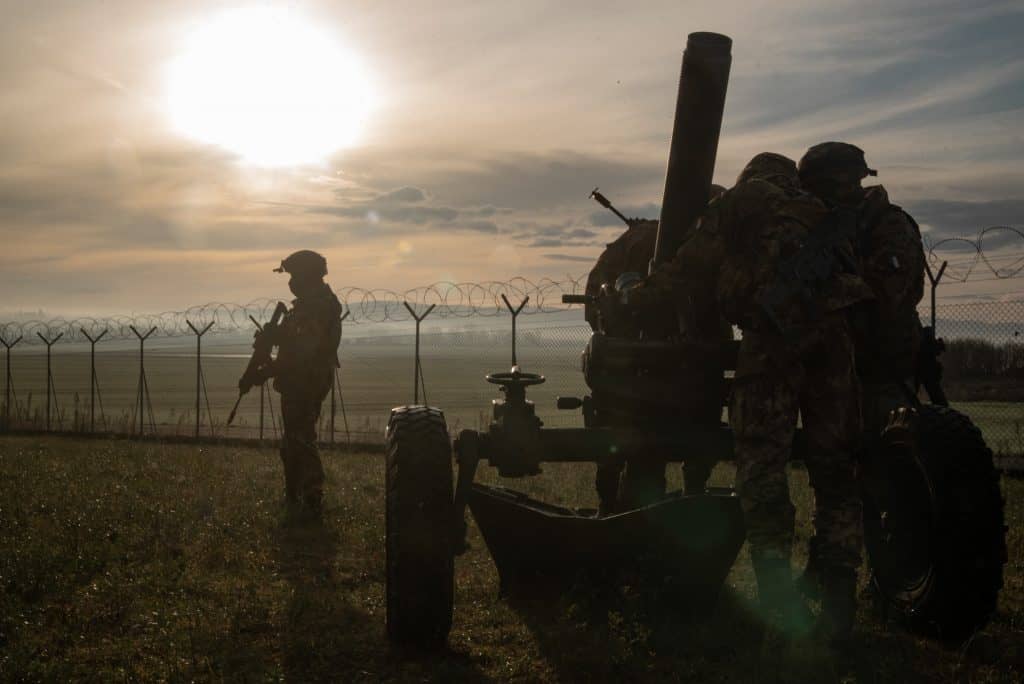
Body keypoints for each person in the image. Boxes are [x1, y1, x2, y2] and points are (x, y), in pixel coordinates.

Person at [703, 153, 873, 647]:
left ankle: (777, 599)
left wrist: (649, 291)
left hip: (775, 341)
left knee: (762, 467)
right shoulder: (819, 211)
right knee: (837, 469)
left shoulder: (746, 201)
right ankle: (840, 600)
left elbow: (693, 259)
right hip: (834, 341)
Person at [796, 143, 926, 600]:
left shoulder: (888, 225)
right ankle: (830, 565)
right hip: (840, 370)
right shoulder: (835, 228)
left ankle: (895, 577)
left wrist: (823, 292)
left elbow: (887, 292)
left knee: (884, 478)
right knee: (834, 471)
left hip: (879, 372)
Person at [261, 249, 344, 520]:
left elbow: (305, 349)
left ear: (307, 276)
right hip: (297, 378)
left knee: (301, 438)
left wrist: (274, 365)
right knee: (294, 439)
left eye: (295, 275)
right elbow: (294, 340)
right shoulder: (307, 305)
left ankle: (311, 497)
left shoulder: (320, 305)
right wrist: (275, 337)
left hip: (307, 380)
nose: (291, 281)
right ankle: (295, 496)